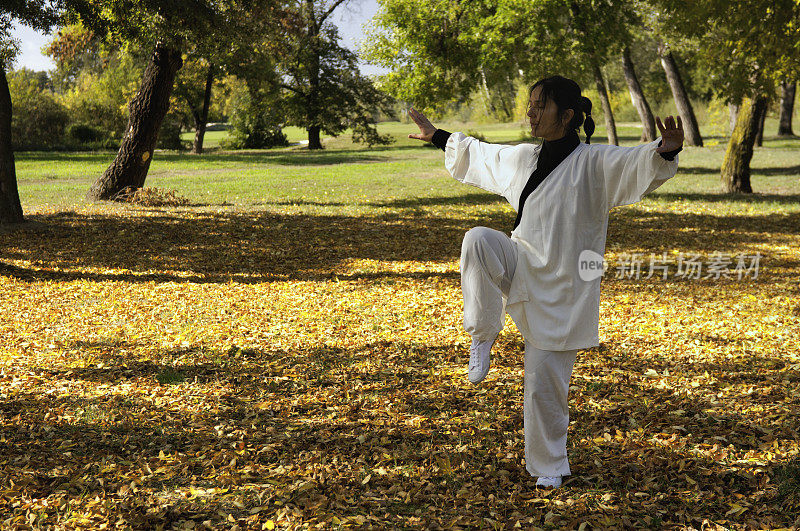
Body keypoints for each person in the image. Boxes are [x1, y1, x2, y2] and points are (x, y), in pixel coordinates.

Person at [408, 75, 684, 489]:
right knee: (477, 239)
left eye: (540, 105)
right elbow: (481, 155)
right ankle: (483, 334)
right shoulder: (524, 158)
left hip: (563, 291)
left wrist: (666, 150)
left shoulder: (594, 162)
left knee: (543, 386)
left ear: (567, 115)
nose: (531, 112)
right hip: (519, 262)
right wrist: (436, 136)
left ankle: (549, 466)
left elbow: (635, 162)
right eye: (531, 103)